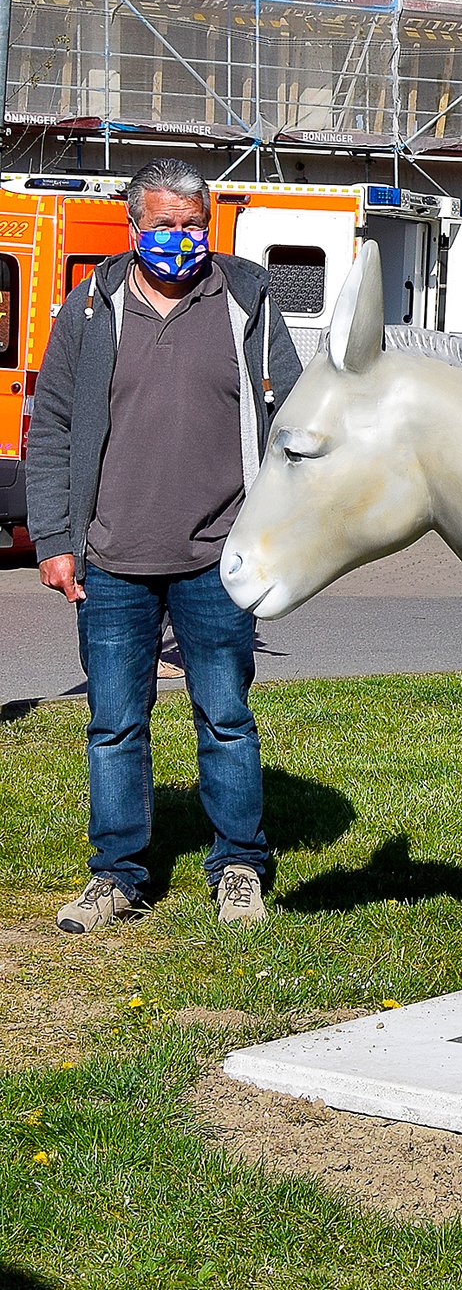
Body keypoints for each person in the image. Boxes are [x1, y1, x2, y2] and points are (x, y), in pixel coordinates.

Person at [25, 157, 303, 931]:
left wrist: (280, 531)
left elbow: (295, 420)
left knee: (226, 718)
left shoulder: (246, 297)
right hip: (111, 557)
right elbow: (50, 430)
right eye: (164, 225)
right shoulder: (90, 306)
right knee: (114, 723)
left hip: (221, 556)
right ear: (133, 226)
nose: (179, 239)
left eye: (192, 225)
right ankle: (116, 875)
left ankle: (239, 864)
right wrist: (55, 538)